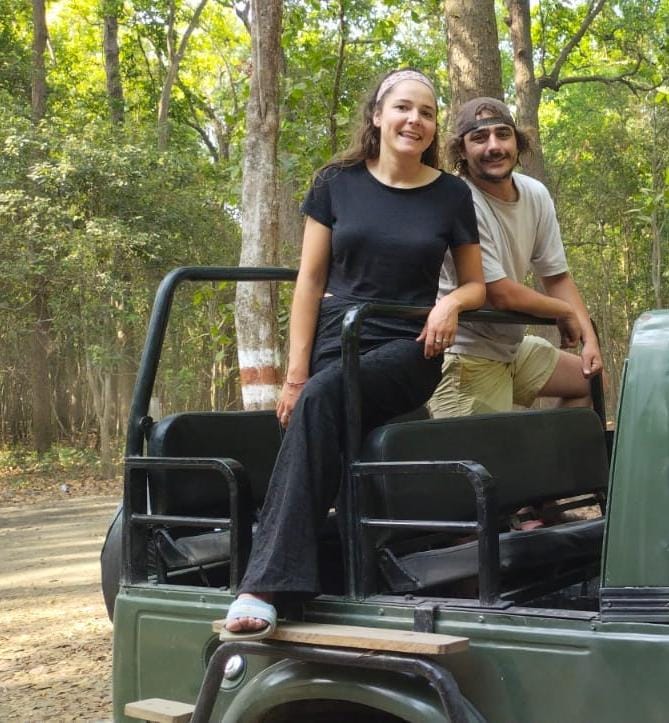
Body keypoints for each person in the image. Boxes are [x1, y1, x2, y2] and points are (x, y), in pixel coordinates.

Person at [223, 69, 486, 637]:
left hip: (409, 345)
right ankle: (348, 572)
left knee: (323, 398)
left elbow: (476, 284)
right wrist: (294, 375)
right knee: (324, 406)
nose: (415, 120)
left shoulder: (450, 194)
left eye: (427, 112)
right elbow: (310, 281)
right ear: (377, 115)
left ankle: (263, 585)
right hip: (336, 339)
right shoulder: (335, 182)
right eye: (404, 108)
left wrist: (449, 304)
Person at [429, 97, 603, 420]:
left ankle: (547, 454)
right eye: (479, 138)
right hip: (465, 355)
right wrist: (563, 311)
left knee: (589, 381)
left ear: (517, 141)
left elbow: (557, 276)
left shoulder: (535, 194)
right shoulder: (459, 199)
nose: (494, 146)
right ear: (461, 150)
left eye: (503, 134)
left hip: (510, 349)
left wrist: (589, 339)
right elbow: (500, 294)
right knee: (492, 452)